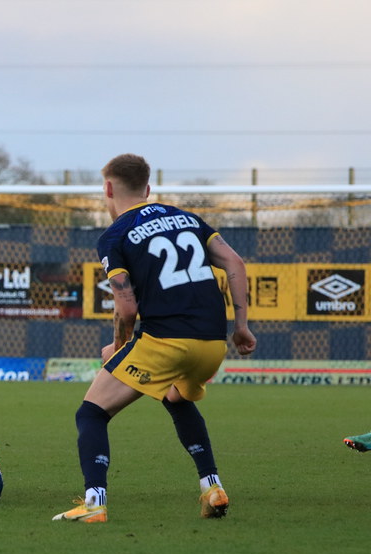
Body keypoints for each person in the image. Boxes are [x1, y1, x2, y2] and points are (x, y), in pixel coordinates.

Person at [53, 153, 257, 523]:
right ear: (148, 189)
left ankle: (94, 503)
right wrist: (241, 326)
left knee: (91, 413)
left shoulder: (114, 235)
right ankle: (213, 487)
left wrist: (118, 347)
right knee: (175, 395)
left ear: (109, 189)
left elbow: (127, 309)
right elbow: (236, 264)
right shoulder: (189, 219)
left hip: (166, 340)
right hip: (213, 344)